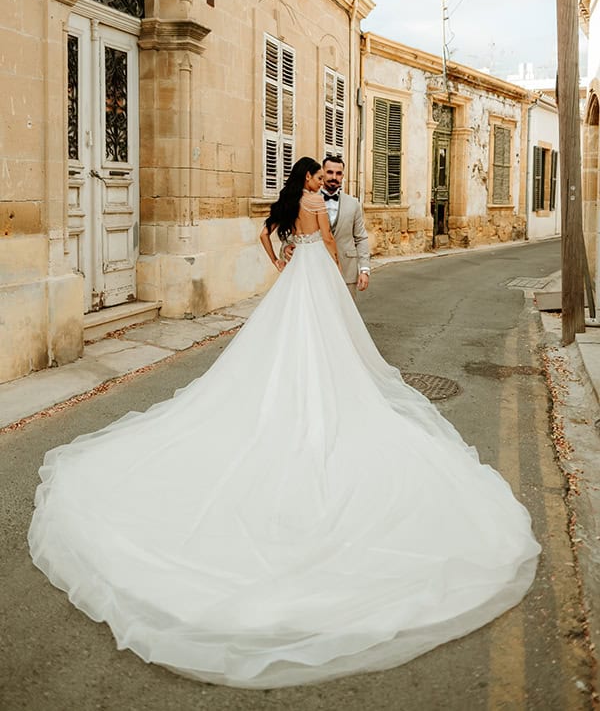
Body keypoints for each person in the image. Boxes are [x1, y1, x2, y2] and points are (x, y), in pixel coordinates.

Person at [28, 156, 540, 691]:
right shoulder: (316, 204)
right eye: (319, 174)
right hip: (319, 276)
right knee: (325, 336)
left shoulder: (287, 205)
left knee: (285, 337)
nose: (322, 182)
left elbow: (266, 234)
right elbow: (331, 243)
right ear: (312, 178)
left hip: (296, 274)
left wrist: (281, 261)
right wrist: (337, 275)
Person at [283, 154, 370, 294]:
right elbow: (290, 230)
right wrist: (286, 246)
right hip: (313, 272)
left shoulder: (353, 204)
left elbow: (361, 238)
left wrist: (364, 269)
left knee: (345, 314)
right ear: (322, 173)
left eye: (339, 173)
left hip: (346, 272)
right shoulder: (302, 201)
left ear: (343, 176)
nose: (334, 177)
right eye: (329, 172)